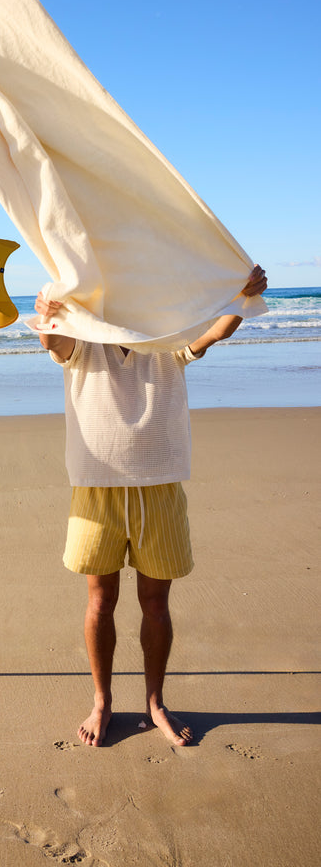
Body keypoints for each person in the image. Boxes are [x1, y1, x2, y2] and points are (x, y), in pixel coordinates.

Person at [36, 265, 268, 747]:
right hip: (96, 485)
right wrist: (51, 316)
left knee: (155, 603)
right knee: (100, 601)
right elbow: (56, 345)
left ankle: (155, 702)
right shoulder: (86, 335)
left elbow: (216, 330)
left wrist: (241, 297)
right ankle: (102, 703)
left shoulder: (164, 337)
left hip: (159, 483)